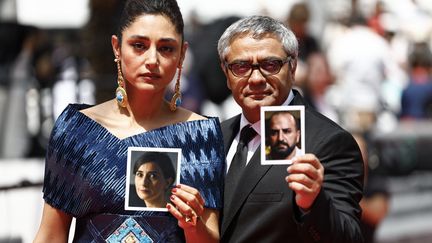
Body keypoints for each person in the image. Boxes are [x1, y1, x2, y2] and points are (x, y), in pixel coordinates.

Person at [33, 0, 224, 242]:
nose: (152, 59)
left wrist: (193, 225)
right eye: (139, 45)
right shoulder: (76, 130)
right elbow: (50, 235)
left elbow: (210, 237)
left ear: (182, 54)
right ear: (117, 47)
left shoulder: (200, 135)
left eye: (166, 48)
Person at [217, 15, 364, 242]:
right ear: (226, 73)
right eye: (241, 66)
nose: (256, 78)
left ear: (293, 67)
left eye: (270, 65)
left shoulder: (327, 142)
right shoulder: (216, 136)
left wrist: (313, 202)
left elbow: (349, 237)